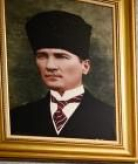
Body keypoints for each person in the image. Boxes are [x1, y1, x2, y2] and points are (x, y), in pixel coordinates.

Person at [10, 10, 116, 140]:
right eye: (42, 56)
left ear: (85, 66)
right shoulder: (17, 117)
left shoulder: (112, 118)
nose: (50, 66)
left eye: (61, 56)